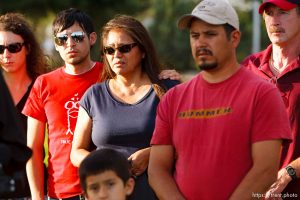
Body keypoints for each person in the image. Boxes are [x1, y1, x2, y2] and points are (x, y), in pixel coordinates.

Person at [148, 0, 292, 199]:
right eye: (195, 35)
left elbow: (266, 171)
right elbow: (157, 170)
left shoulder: (262, 93)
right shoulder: (173, 98)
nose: (200, 42)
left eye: (210, 34)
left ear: (234, 38)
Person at [70, 15, 180, 200]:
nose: (116, 55)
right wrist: (110, 166)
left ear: (143, 50)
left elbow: (189, 143)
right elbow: (76, 152)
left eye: (124, 48)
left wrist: (152, 154)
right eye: (109, 50)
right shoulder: (94, 95)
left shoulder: (167, 89)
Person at [22, 8, 103, 199]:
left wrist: (166, 77)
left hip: (105, 189)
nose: (70, 43)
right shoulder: (44, 84)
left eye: (76, 36)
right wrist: (37, 196)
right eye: (62, 39)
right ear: (56, 45)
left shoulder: (108, 76)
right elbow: (33, 148)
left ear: (92, 38)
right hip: (61, 193)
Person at [242, 0, 300, 198]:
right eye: (269, 13)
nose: (274, 21)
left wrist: (289, 173)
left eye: (283, 12)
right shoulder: (248, 67)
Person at [0, 12, 46, 199]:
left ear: (27, 48)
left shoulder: (44, 85)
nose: (6, 55)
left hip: (36, 188)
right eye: (0, 48)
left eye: (13, 47)